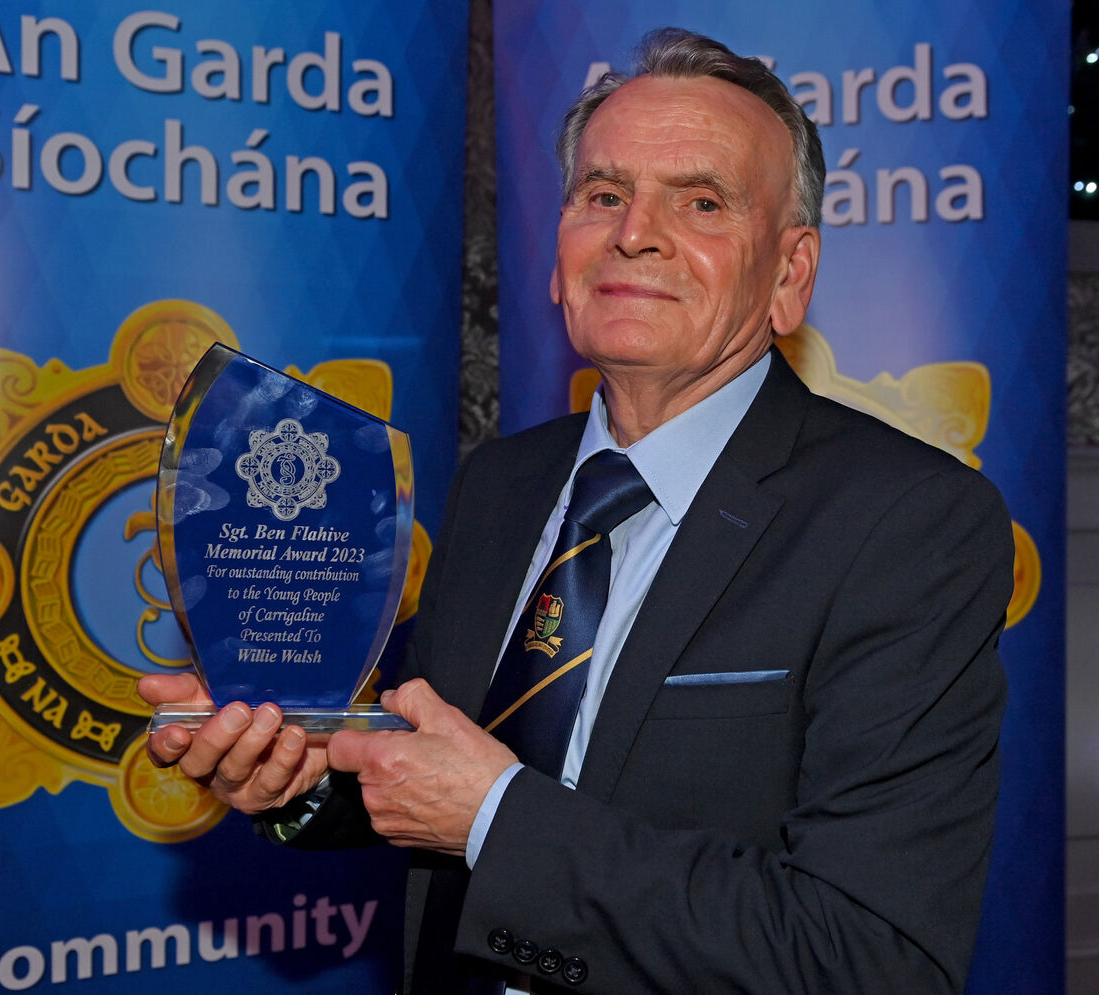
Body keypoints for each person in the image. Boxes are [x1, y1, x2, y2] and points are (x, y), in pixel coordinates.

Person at [140, 28, 1012, 994]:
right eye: (603, 194)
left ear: (788, 277)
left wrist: (495, 819)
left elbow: (869, 959)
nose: (633, 231)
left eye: (703, 202)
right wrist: (298, 770)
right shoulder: (500, 484)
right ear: (558, 260)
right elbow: (429, 763)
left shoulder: (909, 527)